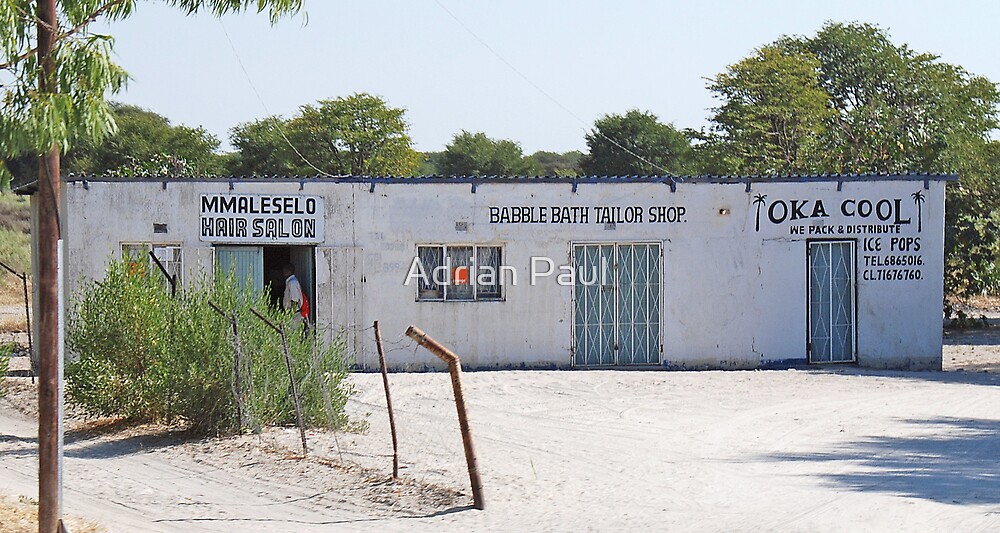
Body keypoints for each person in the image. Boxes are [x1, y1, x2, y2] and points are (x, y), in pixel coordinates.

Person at [282, 264, 304, 329]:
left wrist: (291, 313)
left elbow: (294, 299)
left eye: (284, 271)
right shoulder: (290, 282)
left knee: (293, 333)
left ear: (289, 272)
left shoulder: (292, 283)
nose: (283, 274)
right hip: (292, 313)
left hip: (294, 314)